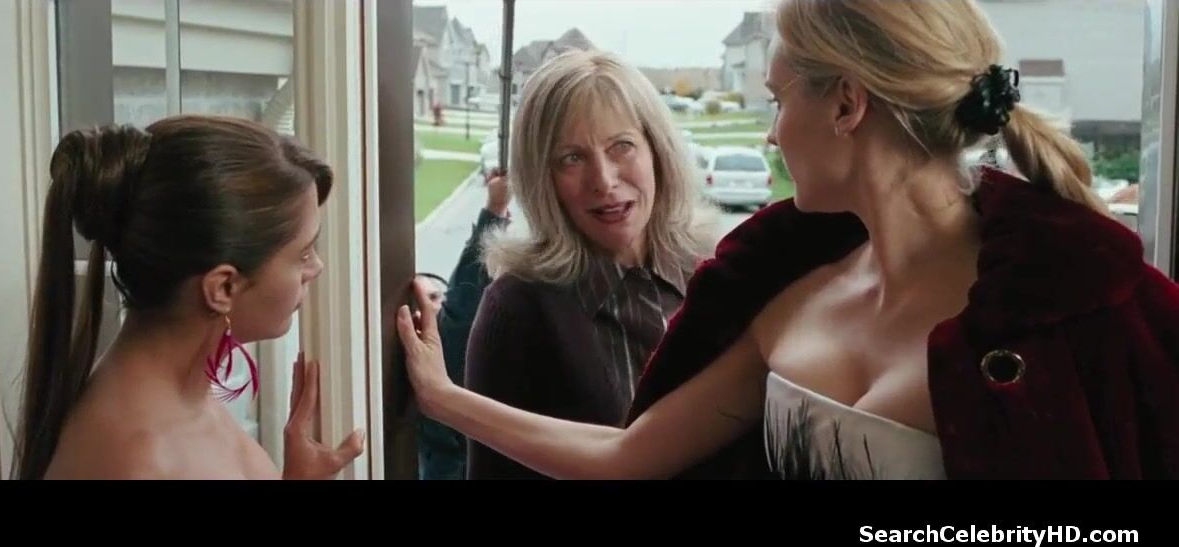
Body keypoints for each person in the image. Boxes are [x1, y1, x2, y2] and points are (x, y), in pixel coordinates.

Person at [397, 0, 1179, 480]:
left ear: (846, 105)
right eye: (571, 158)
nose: (771, 135)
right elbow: (626, 457)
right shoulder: (786, 291)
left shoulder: (1087, 305)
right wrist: (443, 398)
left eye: (776, 100)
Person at [13, 115, 365, 480]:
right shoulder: (137, 460)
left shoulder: (177, 394)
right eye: (303, 254)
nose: (317, 267)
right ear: (223, 288)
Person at [446, 49, 721, 479]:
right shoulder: (516, 308)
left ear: (657, 151)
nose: (604, 181)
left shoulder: (720, 273)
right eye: (571, 158)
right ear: (543, 178)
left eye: (621, 146)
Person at [416, 170, 512, 480]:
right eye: (428, 300)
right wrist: (495, 211)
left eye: (437, 297)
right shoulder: (441, 350)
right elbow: (462, 304)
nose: (436, 306)